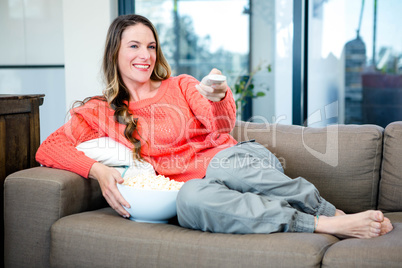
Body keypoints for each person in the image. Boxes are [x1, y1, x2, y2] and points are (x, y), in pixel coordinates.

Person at [36, 14, 393, 239]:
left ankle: (333, 215)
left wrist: (217, 95)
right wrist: (97, 169)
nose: (145, 54)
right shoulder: (101, 111)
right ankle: (319, 226)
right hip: (199, 188)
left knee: (223, 163)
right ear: (115, 52)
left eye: (151, 45)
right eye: (134, 45)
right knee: (188, 200)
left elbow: (222, 125)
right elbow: (48, 148)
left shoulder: (182, 85)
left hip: (235, 162)